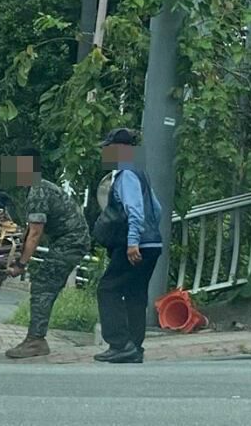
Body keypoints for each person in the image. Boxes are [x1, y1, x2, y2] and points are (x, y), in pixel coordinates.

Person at [4, 149, 90, 359]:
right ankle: (35, 337)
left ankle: (36, 340)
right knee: (44, 283)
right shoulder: (38, 188)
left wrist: (22, 264)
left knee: (43, 285)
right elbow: (29, 230)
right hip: (69, 240)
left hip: (71, 241)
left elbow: (35, 233)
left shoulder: (38, 191)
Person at [93, 128, 162, 364]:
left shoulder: (126, 174)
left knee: (107, 288)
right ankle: (135, 347)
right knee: (135, 293)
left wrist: (133, 242)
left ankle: (120, 344)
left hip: (135, 245)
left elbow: (135, 211)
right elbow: (157, 209)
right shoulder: (142, 173)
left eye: (108, 148)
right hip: (153, 243)